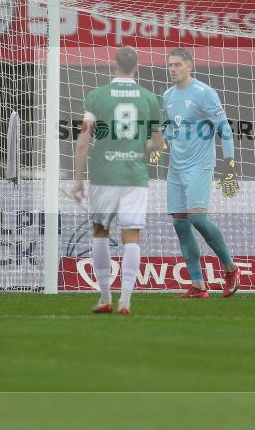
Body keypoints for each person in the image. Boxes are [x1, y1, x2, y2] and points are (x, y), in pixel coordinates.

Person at [71, 47, 164, 315]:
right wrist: (136, 148)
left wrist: (78, 180)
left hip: (104, 174)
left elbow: (83, 142)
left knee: (100, 231)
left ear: (114, 66)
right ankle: (125, 301)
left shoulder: (97, 96)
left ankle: (104, 297)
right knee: (131, 235)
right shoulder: (149, 98)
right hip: (134, 175)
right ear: (137, 67)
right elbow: (158, 143)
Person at [161, 48, 240, 298]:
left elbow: (224, 129)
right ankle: (198, 284)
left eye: (177, 65)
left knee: (198, 219)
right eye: (170, 65)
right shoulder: (168, 95)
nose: (172, 69)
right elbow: (173, 128)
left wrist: (229, 165)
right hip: (175, 168)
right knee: (180, 225)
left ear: (190, 66)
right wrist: (160, 142)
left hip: (199, 166)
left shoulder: (204, 93)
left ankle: (230, 268)